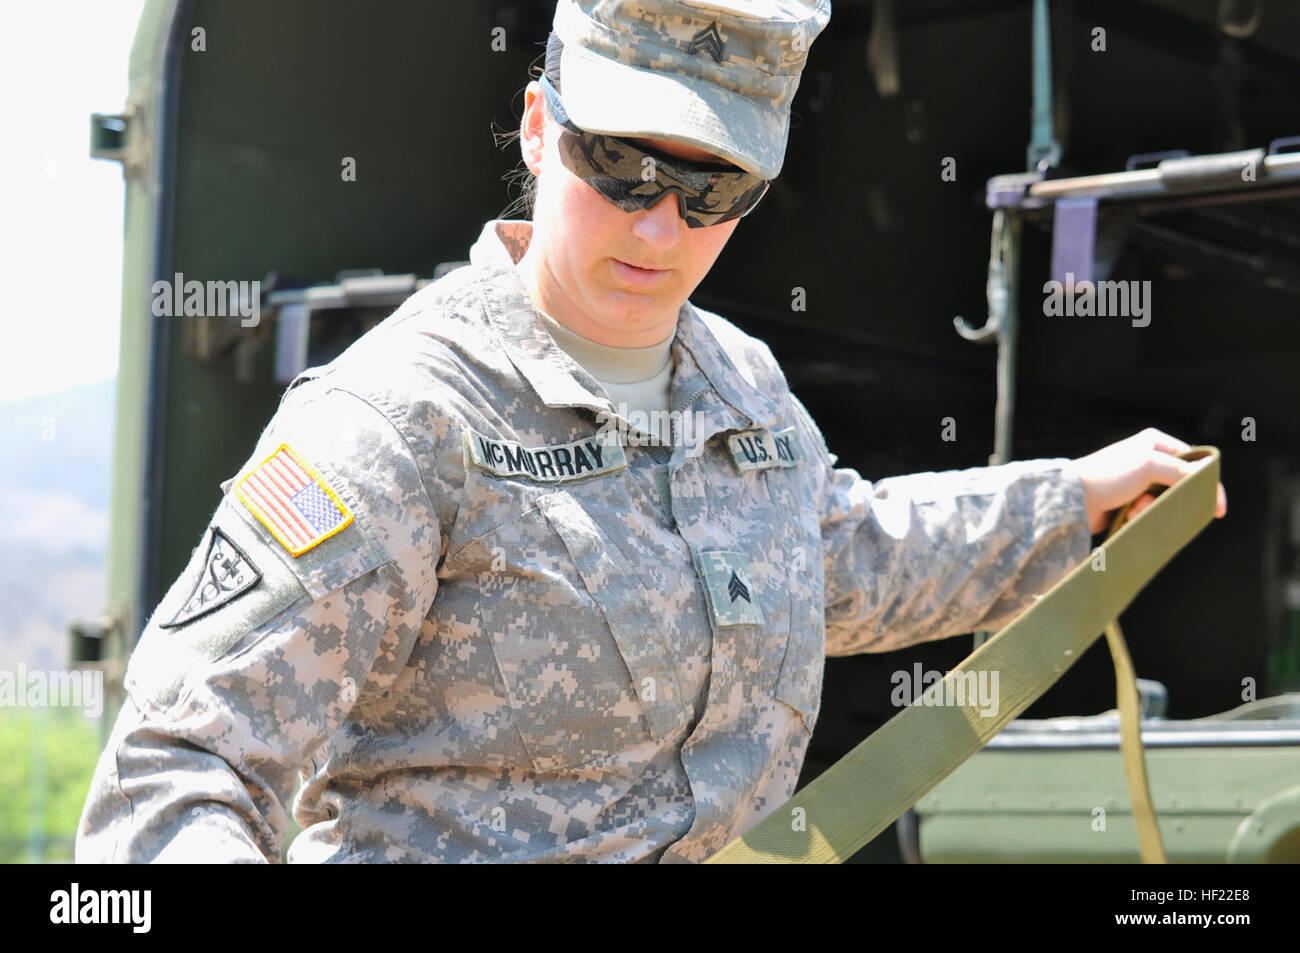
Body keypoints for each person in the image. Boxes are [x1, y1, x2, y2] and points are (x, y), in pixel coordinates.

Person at [77, 0, 1226, 864]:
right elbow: (175, 775)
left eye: (713, 190)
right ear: (538, 128)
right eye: (620, 164)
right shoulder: (397, 419)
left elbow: (842, 558)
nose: (661, 226)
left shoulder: (739, 383)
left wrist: (1075, 498)